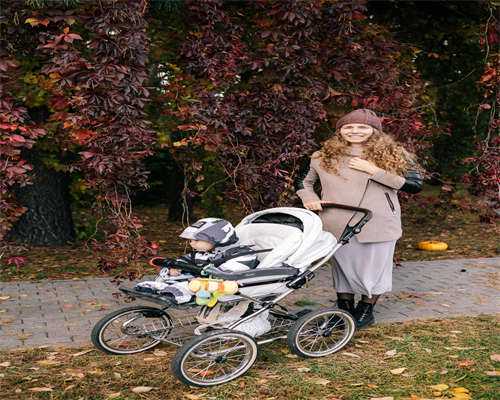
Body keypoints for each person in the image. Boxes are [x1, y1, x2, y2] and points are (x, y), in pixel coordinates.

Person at [294, 109, 423, 328]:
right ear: (340, 130)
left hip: (378, 221)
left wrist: (374, 171)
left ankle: (366, 309)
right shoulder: (321, 156)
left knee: (375, 269)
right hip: (336, 220)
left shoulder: (394, 154)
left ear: (374, 130)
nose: (355, 131)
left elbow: (414, 185)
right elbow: (302, 182)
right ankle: (344, 309)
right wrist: (309, 198)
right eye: (349, 127)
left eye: (362, 127)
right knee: (343, 267)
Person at [134, 218, 260, 303]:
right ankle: (160, 286)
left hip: (229, 284)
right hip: (203, 280)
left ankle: (179, 292)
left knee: (195, 283)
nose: (191, 243)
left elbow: (229, 273)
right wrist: (177, 267)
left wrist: (200, 277)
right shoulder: (203, 253)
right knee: (174, 275)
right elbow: (187, 259)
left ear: (218, 238)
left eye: (196, 240)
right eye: (190, 240)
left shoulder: (243, 254)